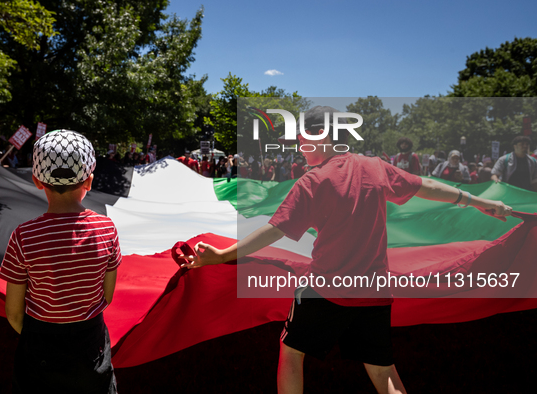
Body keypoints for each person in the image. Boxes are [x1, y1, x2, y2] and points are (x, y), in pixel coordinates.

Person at [180, 106, 512, 394]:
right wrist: (481, 202)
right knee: (383, 371)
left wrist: (223, 255)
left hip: (326, 291)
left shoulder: (312, 182)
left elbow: (274, 231)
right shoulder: (375, 167)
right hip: (374, 293)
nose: (298, 144)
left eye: (301, 137)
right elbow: (426, 186)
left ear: (321, 135)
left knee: (292, 352)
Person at [0, 130, 120, 393]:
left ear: (37, 181)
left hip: (40, 348)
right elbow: (107, 296)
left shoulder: (23, 236)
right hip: (91, 346)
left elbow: (14, 313)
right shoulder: (107, 229)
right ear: (88, 181)